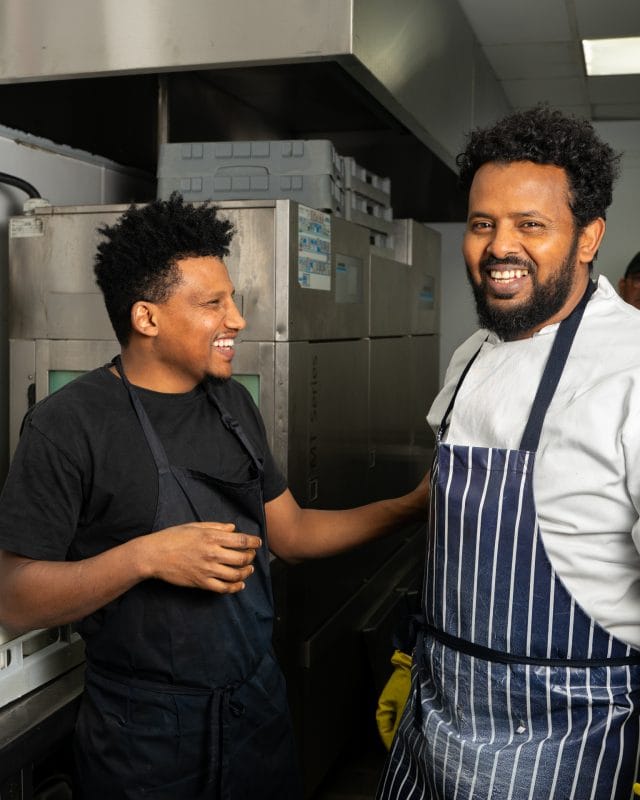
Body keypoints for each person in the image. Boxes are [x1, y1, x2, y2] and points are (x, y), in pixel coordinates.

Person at [0, 193, 427, 800]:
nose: (237, 319)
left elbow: (295, 536)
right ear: (146, 318)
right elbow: (13, 599)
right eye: (213, 304)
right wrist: (147, 557)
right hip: (146, 738)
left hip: (258, 711)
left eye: (233, 299)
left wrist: (415, 507)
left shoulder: (231, 404)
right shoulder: (67, 426)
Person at [377, 105, 640, 800]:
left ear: (588, 239)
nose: (499, 247)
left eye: (531, 225)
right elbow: (449, 510)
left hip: (565, 735)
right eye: (483, 223)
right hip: (436, 706)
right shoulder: (472, 356)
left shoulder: (630, 366)